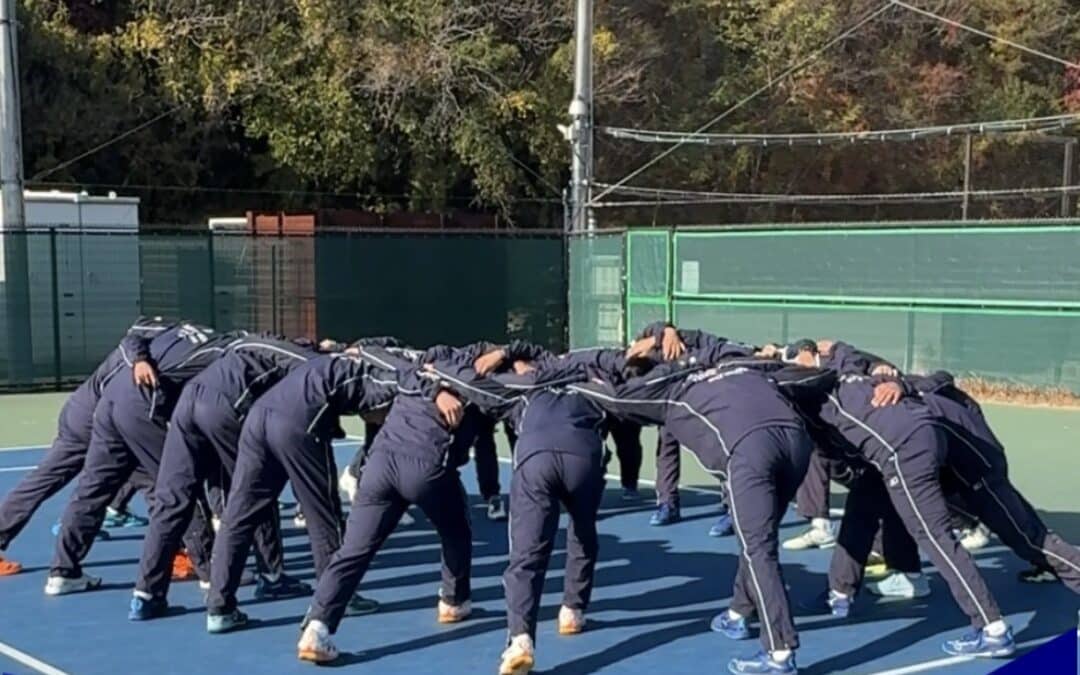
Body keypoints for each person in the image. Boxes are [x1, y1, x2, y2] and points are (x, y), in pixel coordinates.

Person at [570, 335, 831, 675]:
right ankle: (738, 613)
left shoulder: (668, 391)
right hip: (796, 443)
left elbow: (616, 399)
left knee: (758, 549)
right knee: (757, 541)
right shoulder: (737, 364)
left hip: (750, 451)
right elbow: (807, 373)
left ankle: (779, 652)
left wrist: (573, 380)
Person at [784, 340, 1018, 659]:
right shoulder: (838, 380)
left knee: (935, 536)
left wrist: (843, 352)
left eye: (798, 355)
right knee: (862, 506)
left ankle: (993, 628)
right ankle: (840, 592)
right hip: (888, 453)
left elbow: (936, 378)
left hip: (909, 450)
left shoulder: (835, 379)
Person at [428, 344, 612, 675]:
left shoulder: (521, 386)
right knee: (583, 531)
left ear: (526, 367)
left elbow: (471, 383)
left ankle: (520, 639)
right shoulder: (588, 381)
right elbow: (629, 394)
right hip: (584, 458)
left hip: (535, 458)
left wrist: (438, 378)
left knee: (526, 554)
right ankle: (573, 610)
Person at [295, 344, 481, 663]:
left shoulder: (412, 373)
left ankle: (317, 627)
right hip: (425, 466)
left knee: (352, 550)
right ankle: (454, 601)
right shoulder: (471, 386)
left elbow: (376, 354)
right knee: (456, 530)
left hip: (379, 466)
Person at [128, 333, 323, 620]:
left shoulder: (237, 346)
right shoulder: (283, 355)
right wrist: (343, 355)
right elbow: (318, 366)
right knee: (258, 489)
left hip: (189, 401)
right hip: (224, 405)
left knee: (172, 499)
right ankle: (272, 577)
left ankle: (146, 595)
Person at [204, 348, 400, 633]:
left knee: (238, 516)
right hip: (299, 422)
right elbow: (389, 397)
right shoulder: (380, 380)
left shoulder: (334, 365)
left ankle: (219, 609)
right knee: (324, 514)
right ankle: (338, 597)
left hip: (258, 418)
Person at [45, 320, 242, 596]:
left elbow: (132, 336)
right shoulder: (228, 352)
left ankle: (63, 571)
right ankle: (210, 572)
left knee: (93, 488)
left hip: (110, 402)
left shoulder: (176, 330)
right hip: (141, 406)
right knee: (181, 484)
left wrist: (139, 360)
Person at [0, 317, 170, 576]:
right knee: (159, 484)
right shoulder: (152, 345)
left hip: (85, 415)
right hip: (98, 422)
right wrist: (140, 360)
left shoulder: (164, 352)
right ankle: (176, 553)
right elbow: (133, 336)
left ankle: (101, 518)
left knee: (45, 481)